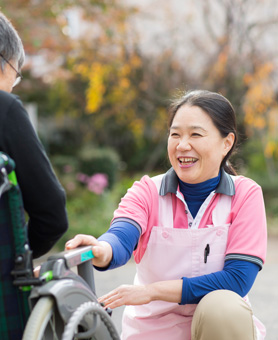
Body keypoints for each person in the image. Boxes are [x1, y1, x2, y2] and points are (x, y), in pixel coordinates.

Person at [66, 90, 267, 340]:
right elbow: (122, 234)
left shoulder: (245, 194)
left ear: (226, 143)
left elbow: (237, 279)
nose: (182, 145)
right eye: (175, 134)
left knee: (223, 307)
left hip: (219, 328)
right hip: (153, 330)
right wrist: (103, 249)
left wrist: (153, 291)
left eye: (195, 134)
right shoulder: (147, 191)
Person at [0, 11, 68, 339]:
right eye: (16, 73)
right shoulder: (5, 109)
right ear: (4, 60)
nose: (14, 84)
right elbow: (52, 214)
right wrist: (19, 258)